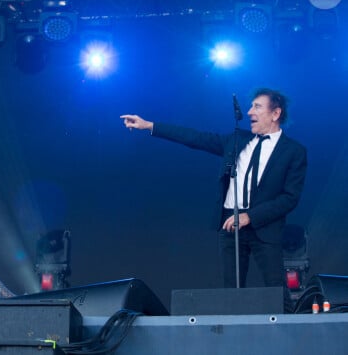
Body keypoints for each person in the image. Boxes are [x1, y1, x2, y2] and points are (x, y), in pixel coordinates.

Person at [120, 88, 307, 296]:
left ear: (275, 113)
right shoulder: (237, 140)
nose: (249, 112)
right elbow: (195, 138)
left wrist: (250, 216)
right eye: (251, 106)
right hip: (230, 225)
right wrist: (150, 125)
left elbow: (289, 198)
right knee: (231, 293)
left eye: (257, 106)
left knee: (277, 291)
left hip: (264, 227)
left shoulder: (293, 151)